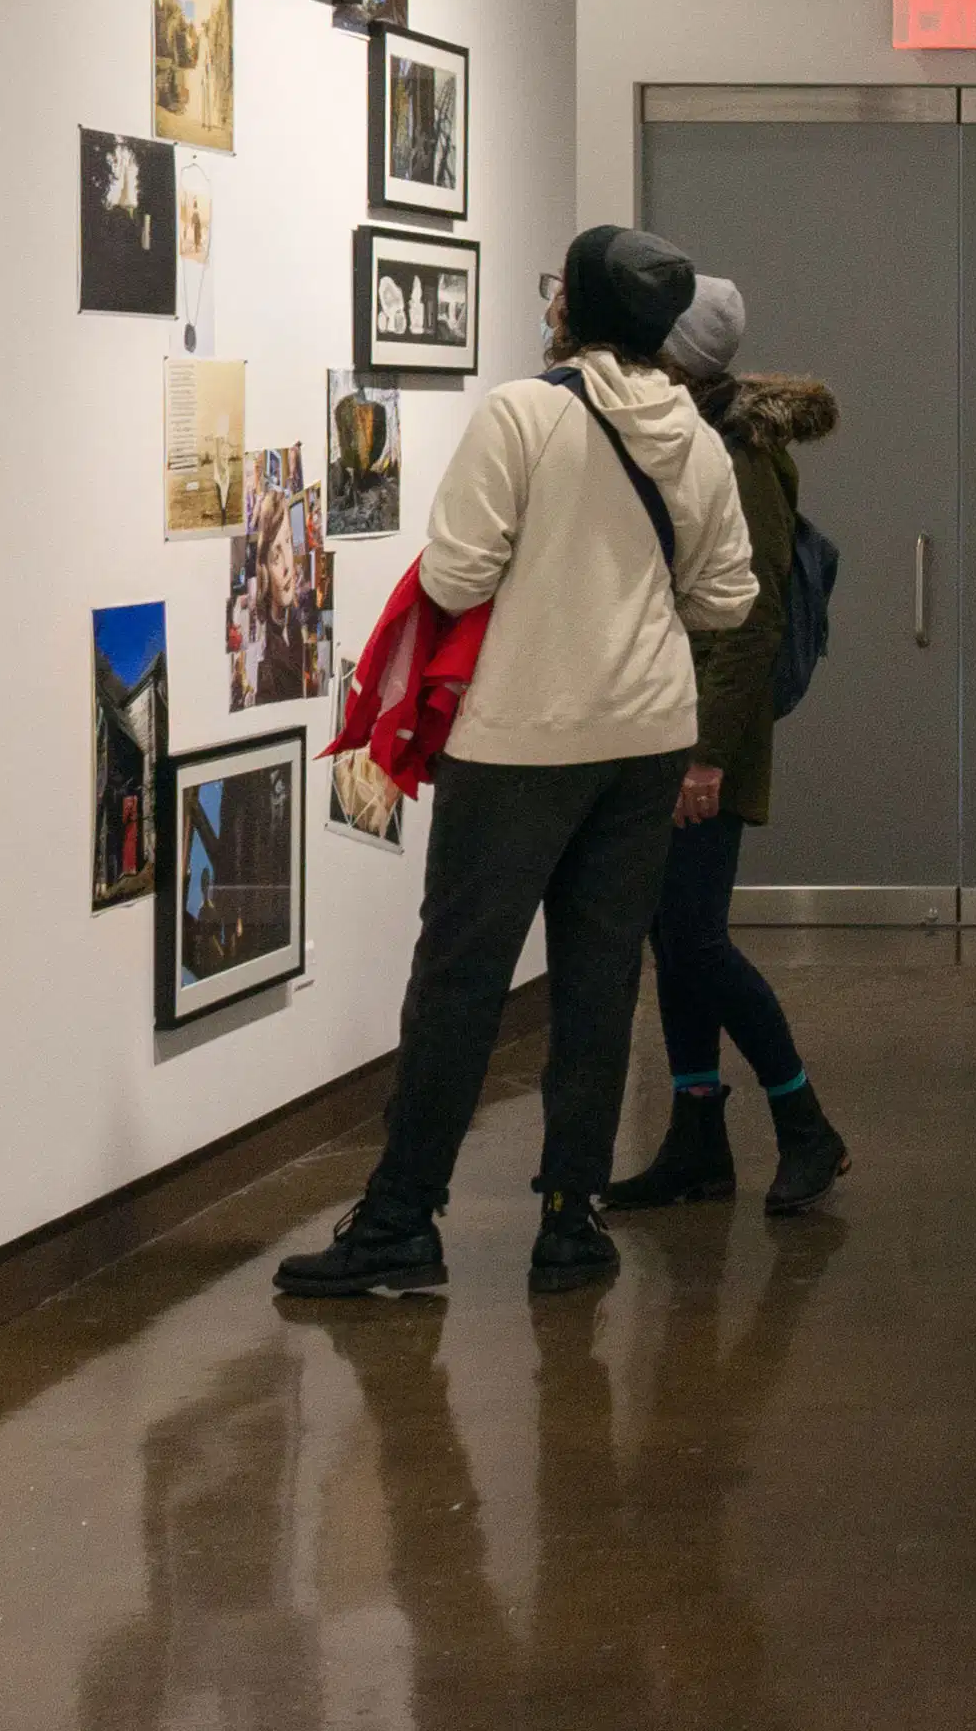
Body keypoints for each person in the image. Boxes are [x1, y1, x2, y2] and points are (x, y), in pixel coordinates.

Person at [279, 226, 759, 1302]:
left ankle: (402, 1217)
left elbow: (455, 571)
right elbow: (727, 598)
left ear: (572, 310)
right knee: (597, 979)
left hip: (521, 739)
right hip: (644, 738)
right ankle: (570, 1221)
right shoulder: (693, 433)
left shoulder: (524, 414)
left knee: (459, 979)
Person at [604, 277, 855, 1217]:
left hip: (712, 731)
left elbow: (749, 621)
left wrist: (704, 754)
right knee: (677, 934)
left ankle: (805, 1124)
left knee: (698, 939)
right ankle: (698, 1138)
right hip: (678, 720)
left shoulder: (738, 451)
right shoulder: (692, 431)